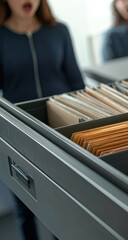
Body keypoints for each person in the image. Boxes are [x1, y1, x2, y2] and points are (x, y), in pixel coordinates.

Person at [0, 0, 85, 239]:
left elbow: (77, 84)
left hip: (60, 132)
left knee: (62, 206)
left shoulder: (59, 30)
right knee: (25, 209)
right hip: (18, 134)